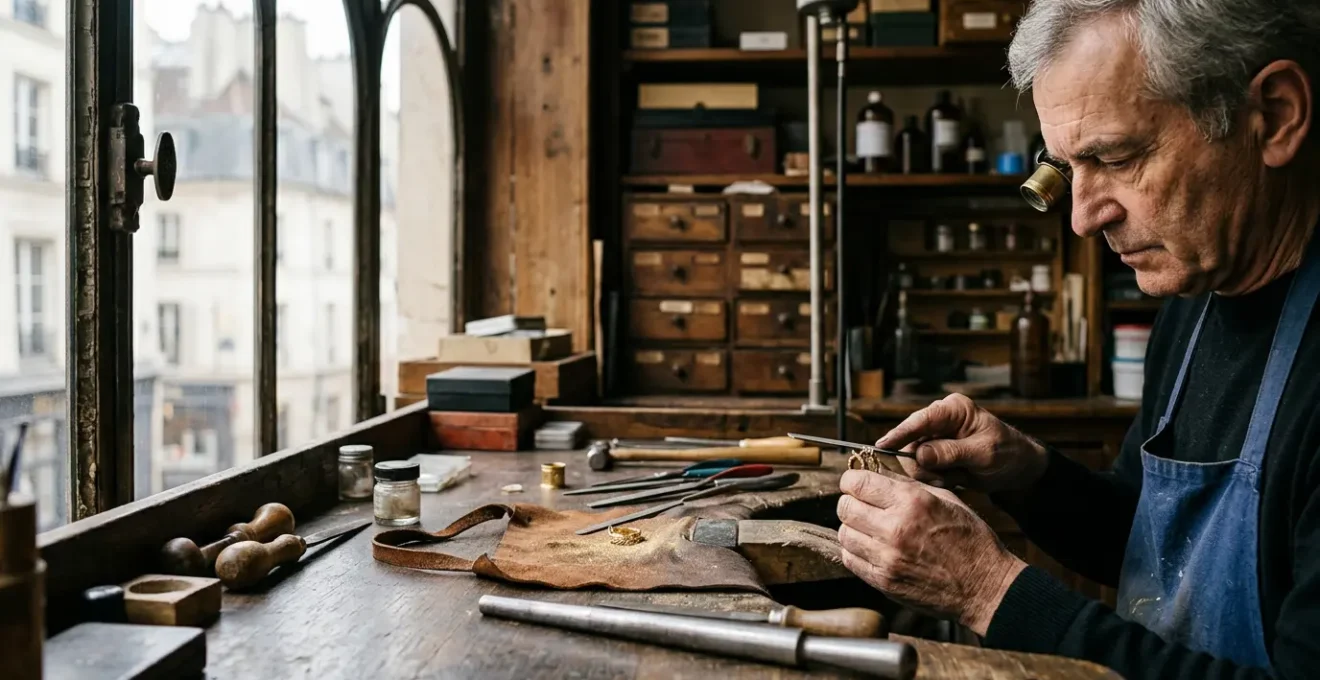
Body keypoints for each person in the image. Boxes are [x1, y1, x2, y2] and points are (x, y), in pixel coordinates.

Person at [834, 1, 1320, 678]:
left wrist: (987, 590)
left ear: (1274, 114)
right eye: (1066, 169)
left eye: (1115, 158)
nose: (1085, 220)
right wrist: (1026, 473)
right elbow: (1152, 545)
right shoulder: (1196, 300)